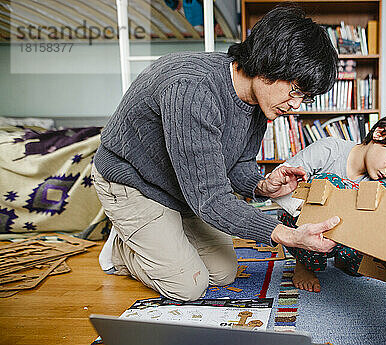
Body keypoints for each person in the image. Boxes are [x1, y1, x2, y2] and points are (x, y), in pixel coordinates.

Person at [91, 5, 341, 301]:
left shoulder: (260, 101)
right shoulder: (193, 90)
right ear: (269, 64)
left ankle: (161, 238)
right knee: (188, 287)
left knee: (224, 273)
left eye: (304, 97)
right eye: (296, 90)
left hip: (181, 188)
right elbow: (210, 199)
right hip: (133, 183)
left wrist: (262, 186)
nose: (296, 104)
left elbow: (238, 163)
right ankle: (122, 249)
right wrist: (289, 236)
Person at [273, 108, 386, 292]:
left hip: (346, 233)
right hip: (305, 223)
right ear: (379, 133)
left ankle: (344, 260)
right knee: (329, 183)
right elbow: (279, 184)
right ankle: (304, 265)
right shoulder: (329, 149)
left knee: (377, 232)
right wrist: (315, 207)